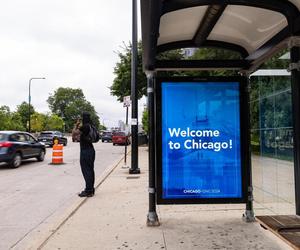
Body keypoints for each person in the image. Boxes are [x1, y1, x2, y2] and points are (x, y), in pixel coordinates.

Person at [78, 112, 95, 197]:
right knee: (90, 170)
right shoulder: (91, 126)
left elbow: (74, 133)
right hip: (91, 150)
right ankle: (91, 189)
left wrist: (77, 124)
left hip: (85, 151)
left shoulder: (85, 127)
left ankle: (88, 190)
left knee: (86, 171)